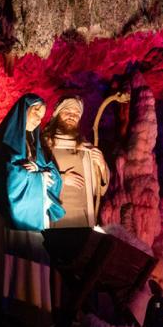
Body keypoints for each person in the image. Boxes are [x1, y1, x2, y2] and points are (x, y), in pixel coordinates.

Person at [0, 93, 64, 327]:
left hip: (37, 216)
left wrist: (43, 174)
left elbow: (50, 172)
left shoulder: (33, 143)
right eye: (35, 112)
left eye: (42, 114)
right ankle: (19, 316)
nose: (39, 118)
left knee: (39, 261)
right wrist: (37, 178)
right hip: (18, 218)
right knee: (20, 261)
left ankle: (39, 315)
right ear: (22, 112)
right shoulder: (5, 142)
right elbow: (9, 180)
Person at [41, 96, 110, 228]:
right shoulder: (43, 144)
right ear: (57, 114)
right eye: (68, 112)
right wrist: (61, 178)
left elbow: (100, 189)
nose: (72, 116)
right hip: (55, 215)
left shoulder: (87, 147)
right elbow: (35, 177)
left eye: (76, 114)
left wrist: (101, 165)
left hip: (82, 215)